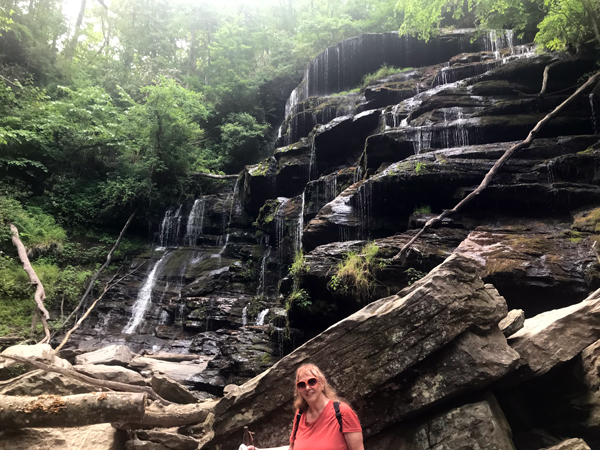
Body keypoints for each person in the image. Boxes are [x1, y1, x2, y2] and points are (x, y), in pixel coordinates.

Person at [247, 364, 364, 450]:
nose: (307, 388)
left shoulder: (342, 412)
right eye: (302, 385)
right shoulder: (300, 415)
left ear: (322, 383)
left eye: (312, 382)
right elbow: (292, 448)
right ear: (299, 390)